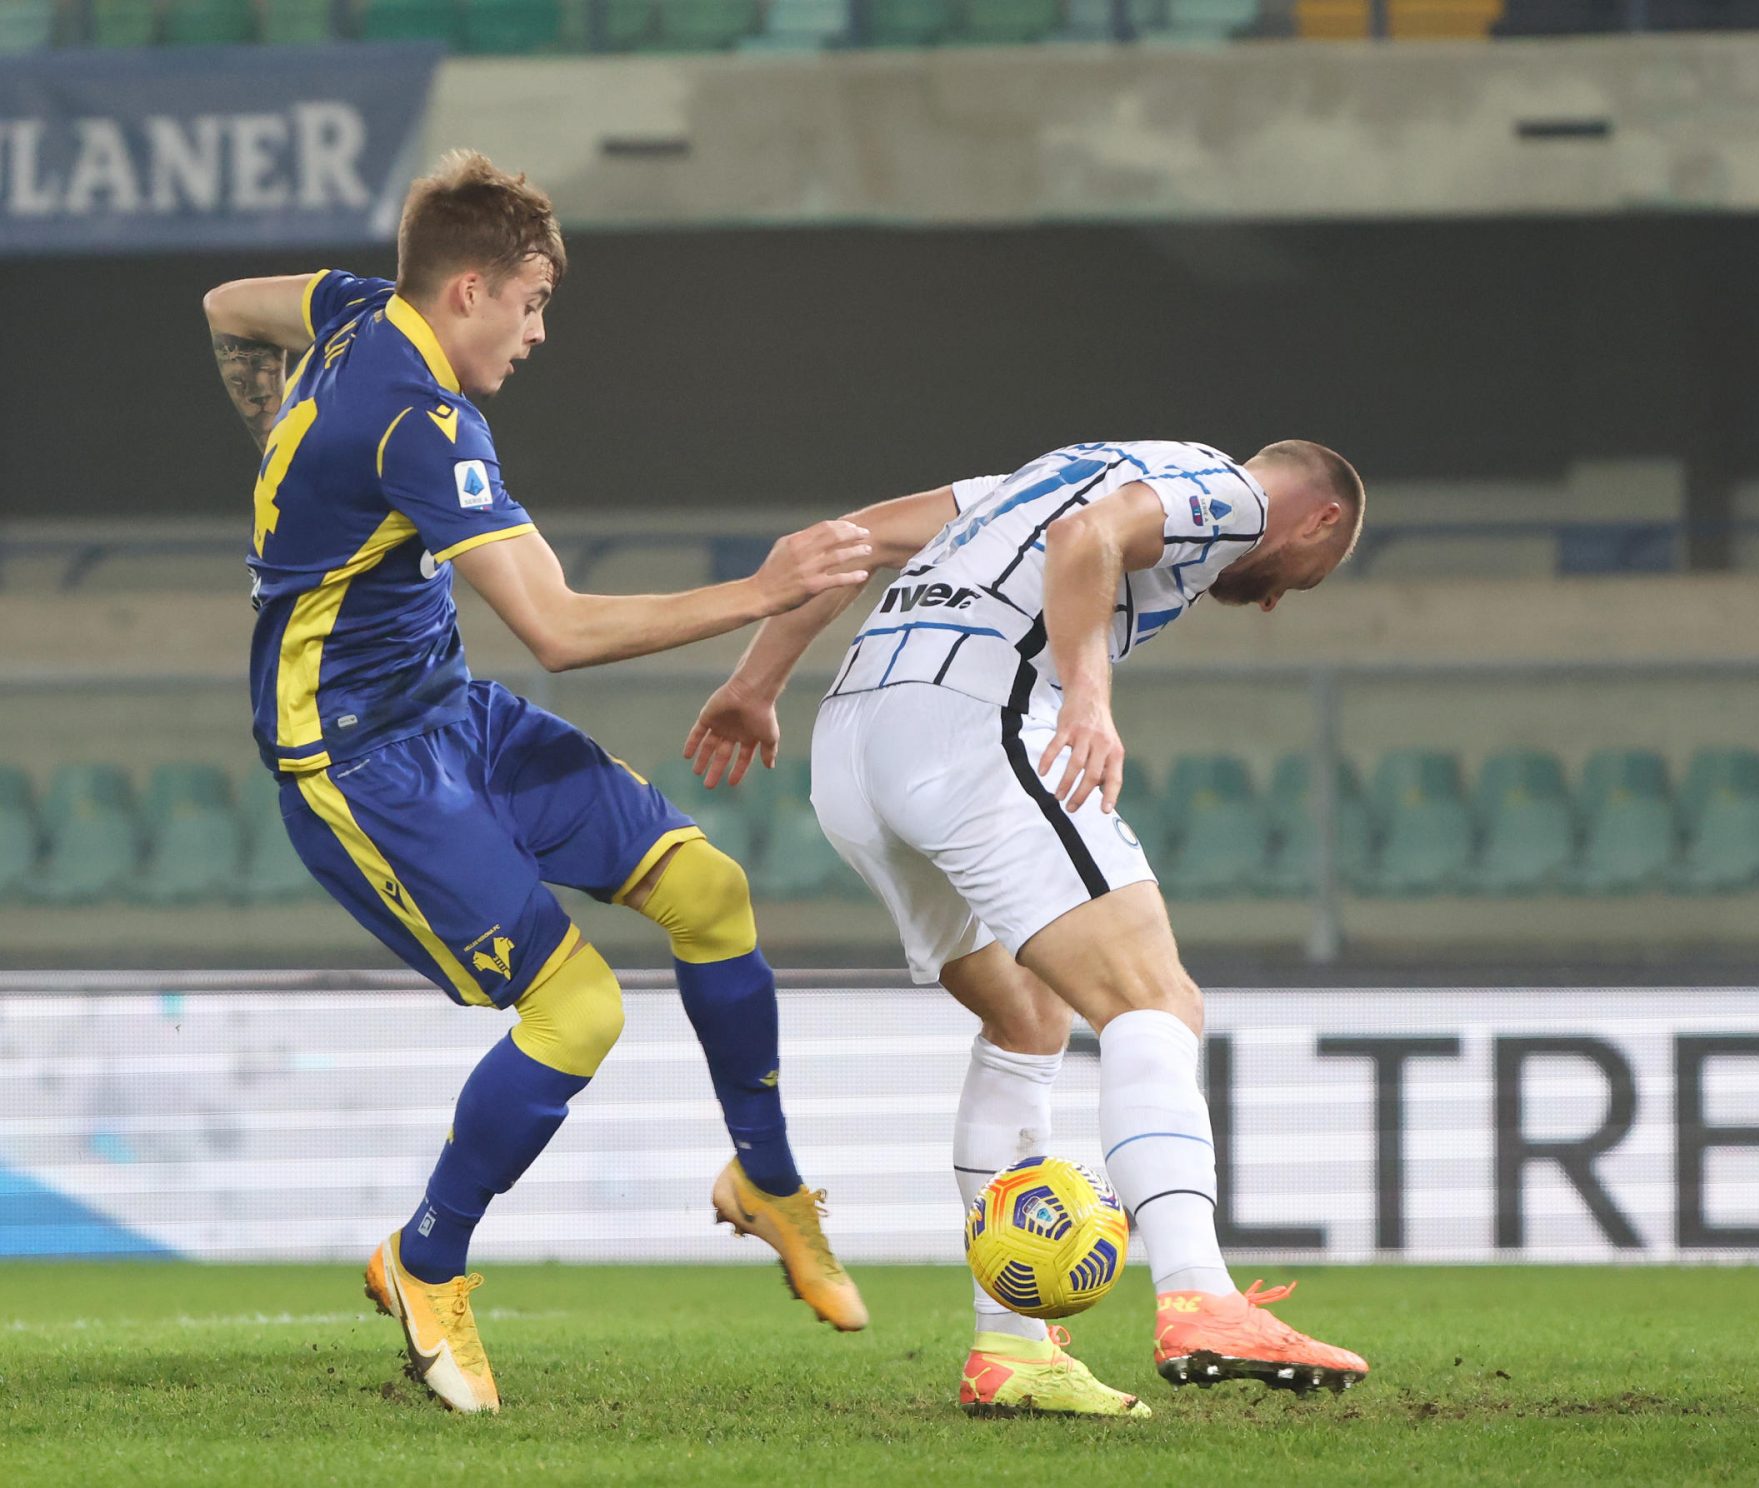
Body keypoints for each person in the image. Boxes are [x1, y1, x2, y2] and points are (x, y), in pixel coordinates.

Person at [203, 151, 875, 1414]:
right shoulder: (423, 420)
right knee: (579, 1015)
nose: (539, 331)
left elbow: (228, 305)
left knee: (711, 894)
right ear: (469, 290)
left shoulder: (355, 308)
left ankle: (768, 1183)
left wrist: (284, 453)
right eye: (532, 302)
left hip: (449, 713)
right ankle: (424, 1259)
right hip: (357, 761)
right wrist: (766, 591)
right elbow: (560, 632)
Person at [686, 439, 1369, 1418]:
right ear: (1321, 523)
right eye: (1301, 581)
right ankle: (1200, 1296)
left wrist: (756, 685)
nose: (1271, 596)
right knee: (1153, 999)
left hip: (852, 752)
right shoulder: (1239, 495)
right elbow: (1085, 538)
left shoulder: (1053, 467)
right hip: (975, 723)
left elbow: (843, 541)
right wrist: (1088, 695)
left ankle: (1011, 1354)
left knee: (1028, 1023)